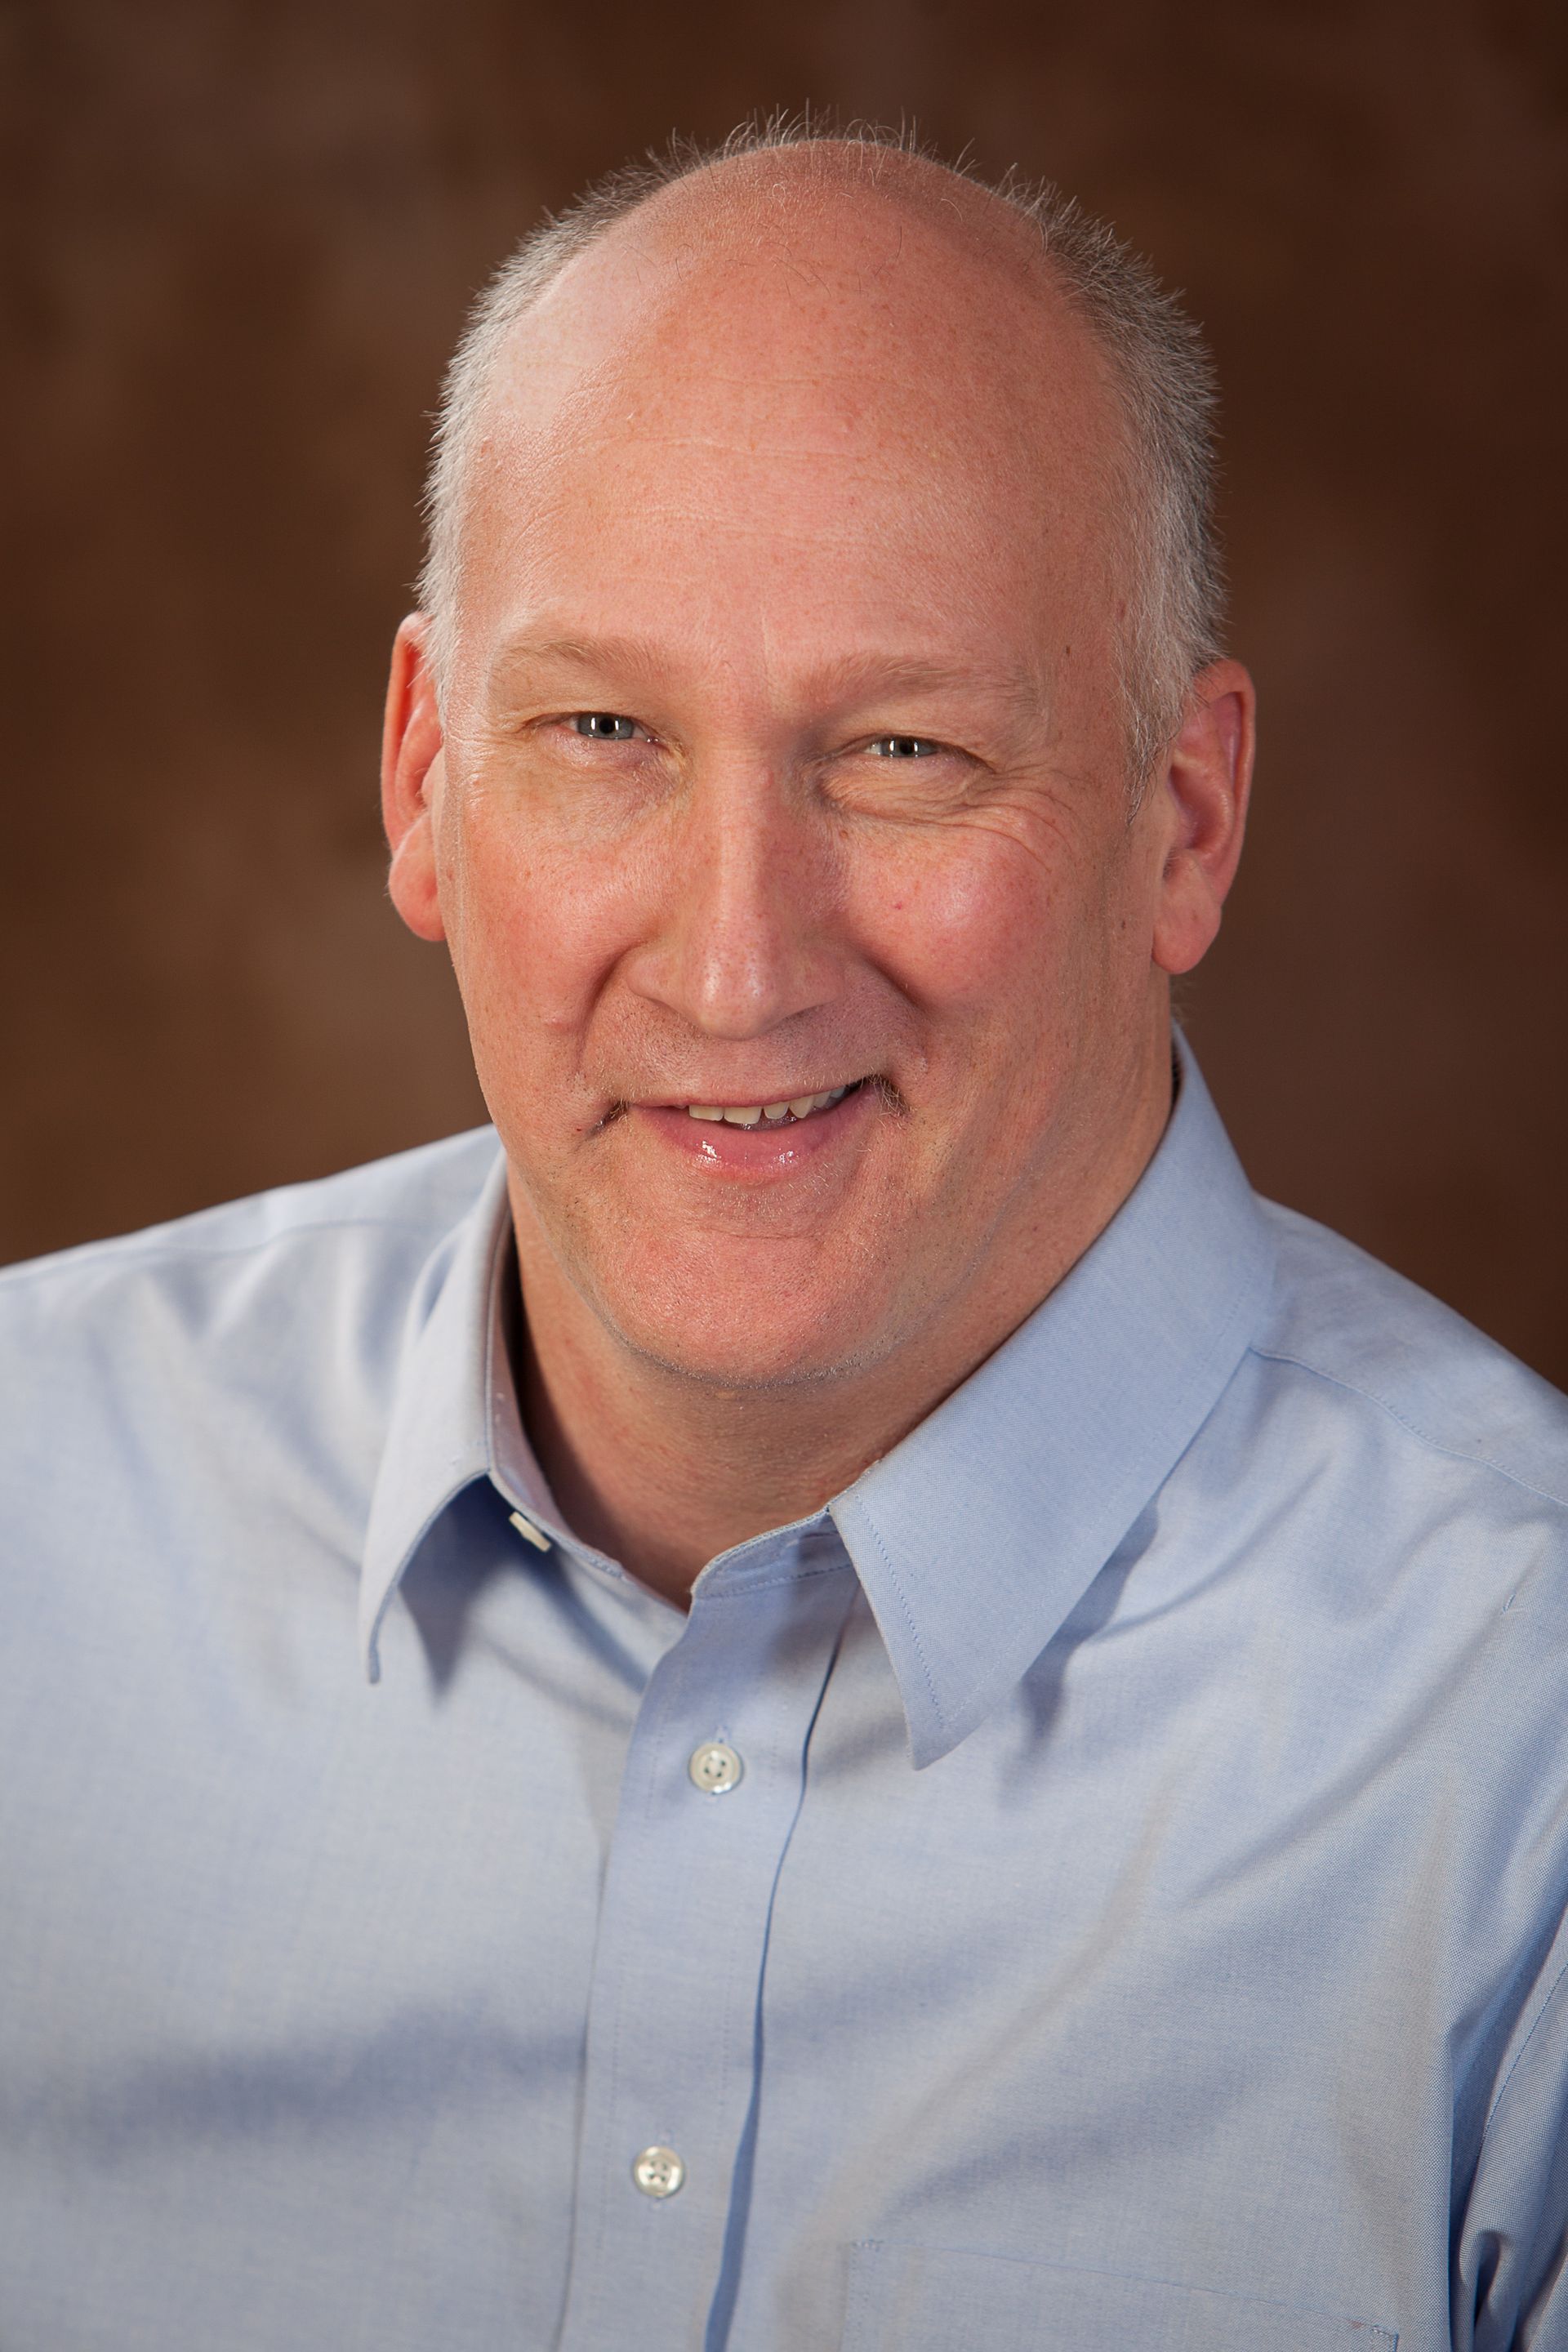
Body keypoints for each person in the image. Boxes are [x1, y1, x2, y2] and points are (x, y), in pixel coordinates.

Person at [2, 124, 1566, 2352]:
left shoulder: (1518, 1768)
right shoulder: (28, 1528)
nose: (736, 966)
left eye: (906, 750)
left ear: (1184, 827)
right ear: (423, 775)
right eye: (604, 730)